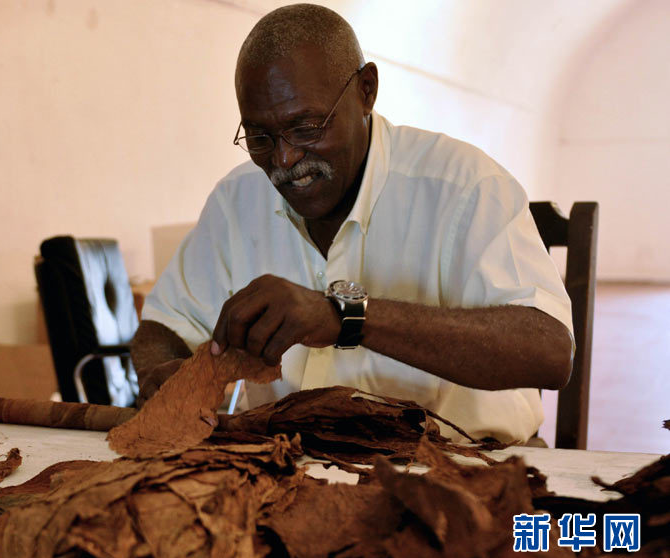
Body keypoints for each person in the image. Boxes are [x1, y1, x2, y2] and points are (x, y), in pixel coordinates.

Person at [131, 3, 573, 443]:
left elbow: (549, 352)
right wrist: (162, 374)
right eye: (259, 137)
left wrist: (344, 318)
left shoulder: (465, 186)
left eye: (306, 127)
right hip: (284, 469)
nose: (284, 160)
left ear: (367, 90)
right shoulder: (237, 199)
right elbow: (164, 327)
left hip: (461, 467)